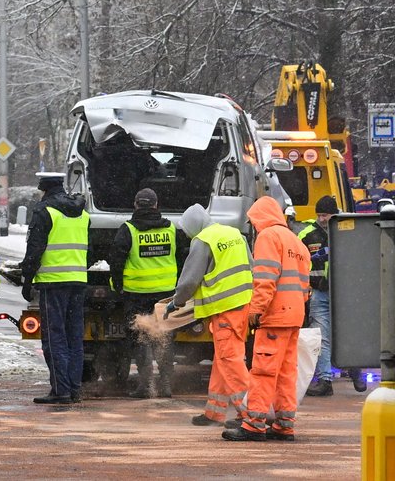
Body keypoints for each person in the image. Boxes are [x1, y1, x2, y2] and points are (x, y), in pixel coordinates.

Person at [223, 196, 311, 441]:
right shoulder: (296, 242)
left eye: (253, 221)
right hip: (295, 316)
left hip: (275, 317)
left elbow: (265, 279)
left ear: (260, 218)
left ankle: (254, 424)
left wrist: (256, 310)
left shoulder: (268, 237)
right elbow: (305, 287)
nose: (253, 226)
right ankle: (284, 424)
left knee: (263, 371)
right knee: (286, 373)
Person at [169, 203, 253, 429]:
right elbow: (251, 266)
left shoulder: (203, 240)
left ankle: (251, 414)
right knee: (223, 359)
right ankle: (214, 412)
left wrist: (177, 302)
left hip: (224, 307)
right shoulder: (234, 234)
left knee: (230, 361)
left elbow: (189, 281)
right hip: (242, 305)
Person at [108, 188, 184, 398]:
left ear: (135, 204)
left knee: (140, 337)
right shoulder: (171, 229)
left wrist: (117, 285)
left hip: (136, 294)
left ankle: (145, 385)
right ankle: (166, 384)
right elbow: (182, 258)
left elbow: (116, 259)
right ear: (156, 205)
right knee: (163, 336)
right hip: (165, 294)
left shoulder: (128, 230)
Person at [21, 172, 91, 405]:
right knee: (74, 337)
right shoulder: (82, 213)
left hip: (53, 283)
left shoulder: (45, 211)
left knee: (54, 337)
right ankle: (74, 388)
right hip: (78, 281)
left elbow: (35, 249)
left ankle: (61, 390)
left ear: (44, 189)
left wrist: (27, 279)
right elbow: (88, 249)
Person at [304, 195, 338, 397]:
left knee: (348, 334)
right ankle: (325, 380)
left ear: (334, 214)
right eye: (319, 215)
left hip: (343, 293)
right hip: (319, 292)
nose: (322, 219)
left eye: (325, 215)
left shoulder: (345, 229)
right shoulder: (307, 234)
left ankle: (355, 370)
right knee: (321, 337)